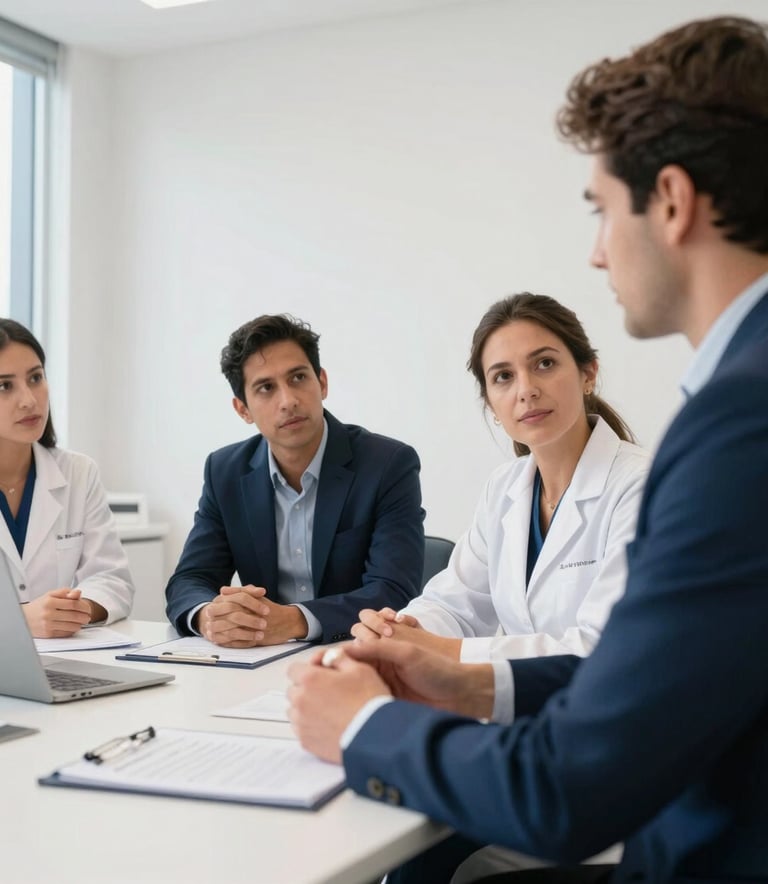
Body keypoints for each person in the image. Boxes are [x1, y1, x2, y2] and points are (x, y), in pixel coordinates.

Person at [287, 16, 768, 884]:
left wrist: (363, 726)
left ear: (670, 200)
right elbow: (626, 678)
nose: (595, 251)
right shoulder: (728, 404)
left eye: (600, 210)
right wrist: (451, 670)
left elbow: (573, 780)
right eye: (502, 377)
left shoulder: (739, 423)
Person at [352, 293, 649, 663]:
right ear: (491, 403)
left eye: (544, 363)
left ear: (588, 373)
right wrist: (401, 630)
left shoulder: (640, 485)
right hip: (521, 703)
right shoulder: (504, 489)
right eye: (503, 376)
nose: (526, 390)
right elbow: (455, 604)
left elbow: (604, 644)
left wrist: (446, 650)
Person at [165, 313, 425, 647]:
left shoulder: (388, 464)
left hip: (354, 652)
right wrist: (209, 617)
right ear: (243, 409)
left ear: (323, 383)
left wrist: (294, 620)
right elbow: (190, 579)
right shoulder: (224, 471)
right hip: (260, 661)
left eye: (298, 378)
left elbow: (393, 589)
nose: (288, 401)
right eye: (266, 388)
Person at [0, 319, 134, 638]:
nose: (29, 400)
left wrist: (73, 610)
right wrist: (19, 621)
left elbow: (112, 579)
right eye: (4, 386)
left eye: (35, 378)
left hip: (63, 658)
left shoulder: (77, 472)